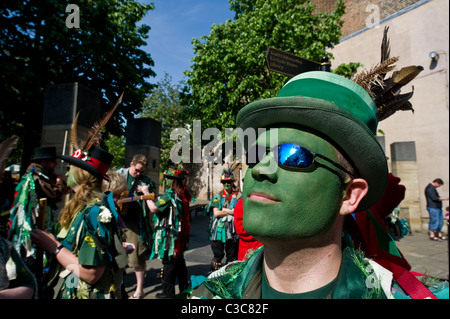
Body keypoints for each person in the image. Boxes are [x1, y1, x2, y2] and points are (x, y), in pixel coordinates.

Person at [189, 71, 448, 299]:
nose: (258, 169)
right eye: (257, 154)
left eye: (292, 155)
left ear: (349, 195)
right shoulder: (210, 294)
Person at [30, 146, 128, 299]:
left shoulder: (96, 211)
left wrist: (54, 246)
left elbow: (91, 274)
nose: (66, 172)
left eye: (70, 168)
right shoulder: (85, 206)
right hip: (73, 287)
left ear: (82, 174)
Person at [8, 146, 69, 280]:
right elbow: (53, 194)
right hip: (32, 227)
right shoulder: (35, 176)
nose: (55, 164)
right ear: (43, 162)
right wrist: (60, 183)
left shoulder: (42, 175)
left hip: (38, 225)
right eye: (52, 161)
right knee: (33, 259)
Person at [148, 163, 192, 298]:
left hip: (170, 236)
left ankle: (168, 294)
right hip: (179, 234)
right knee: (178, 260)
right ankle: (184, 288)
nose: (164, 180)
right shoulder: (183, 194)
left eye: (167, 177)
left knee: (168, 261)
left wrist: (146, 195)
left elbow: (154, 209)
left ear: (172, 181)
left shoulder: (169, 195)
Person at [116, 154, 156, 299]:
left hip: (135, 222)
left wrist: (145, 191)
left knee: (137, 256)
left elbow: (152, 201)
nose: (138, 174)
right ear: (131, 163)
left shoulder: (146, 182)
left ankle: (140, 290)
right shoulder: (119, 175)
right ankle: (119, 289)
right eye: (136, 170)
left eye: (141, 172)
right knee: (117, 256)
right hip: (117, 220)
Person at [207, 170, 240, 270]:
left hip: (233, 232)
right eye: (225, 182)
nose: (227, 184)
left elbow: (238, 212)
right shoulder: (217, 197)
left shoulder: (238, 196)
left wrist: (225, 210)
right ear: (222, 183)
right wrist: (231, 211)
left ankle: (230, 279)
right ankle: (215, 279)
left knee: (232, 257)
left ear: (232, 183)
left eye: (229, 182)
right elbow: (216, 213)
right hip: (219, 231)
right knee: (217, 255)